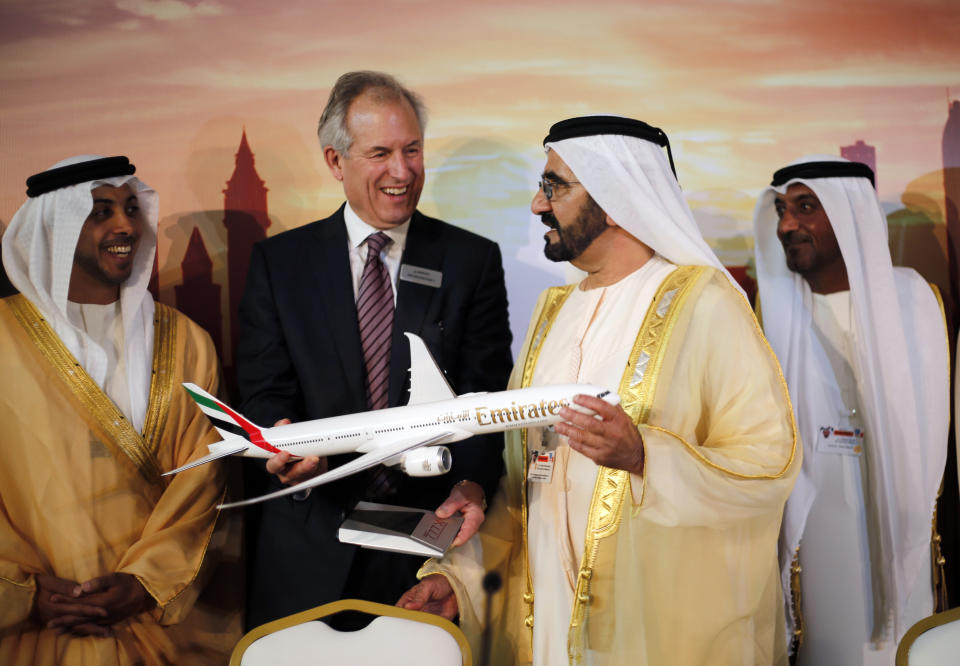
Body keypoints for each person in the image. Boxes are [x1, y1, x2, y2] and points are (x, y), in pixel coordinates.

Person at [398, 115, 800, 665]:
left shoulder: (705, 304)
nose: (539, 205)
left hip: (660, 631)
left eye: (554, 186)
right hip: (549, 627)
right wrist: (460, 576)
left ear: (614, 197)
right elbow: (527, 482)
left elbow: (768, 466)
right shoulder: (552, 312)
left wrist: (644, 458)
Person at [237, 71, 512, 628]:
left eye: (412, 150)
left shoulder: (471, 261)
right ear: (336, 161)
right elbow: (264, 388)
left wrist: (472, 482)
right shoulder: (281, 265)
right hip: (308, 547)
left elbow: (487, 397)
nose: (402, 171)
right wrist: (284, 441)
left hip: (428, 556)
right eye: (380, 152)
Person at [0, 155, 241, 664]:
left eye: (132, 208)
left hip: (157, 624)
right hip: (33, 632)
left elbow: (207, 477)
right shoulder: (2, 339)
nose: (125, 225)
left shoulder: (187, 342)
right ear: (55, 226)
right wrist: (24, 591)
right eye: (100, 211)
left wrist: (145, 582)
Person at [753, 156, 950, 664]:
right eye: (781, 209)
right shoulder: (768, 316)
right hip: (812, 538)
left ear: (850, 216)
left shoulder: (915, 303)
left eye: (805, 207)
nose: (786, 225)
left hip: (900, 521)